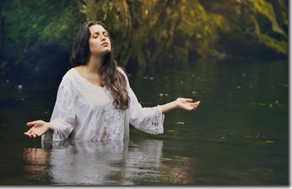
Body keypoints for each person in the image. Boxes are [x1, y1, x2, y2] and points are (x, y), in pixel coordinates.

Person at [24, 21, 200, 142]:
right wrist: (48, 125)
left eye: (105, 34)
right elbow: (65, 123)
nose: (103, 38)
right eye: (96, 35)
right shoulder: (71, 79)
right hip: (83, 161)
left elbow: (138, 116)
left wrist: (175, 104)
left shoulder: (118, 76)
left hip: (116, 163)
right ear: (85, 44)